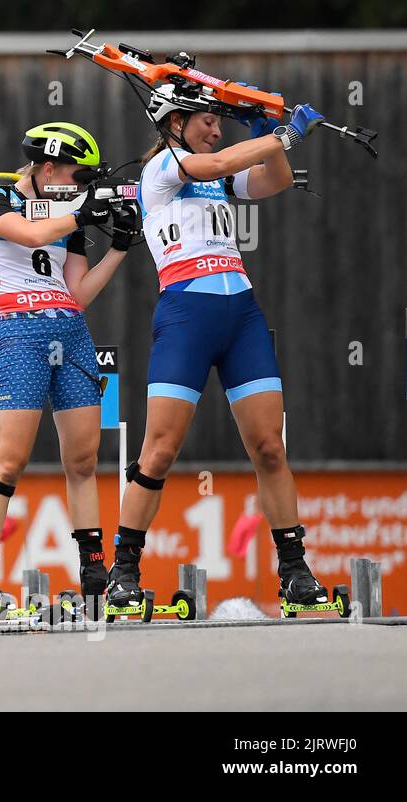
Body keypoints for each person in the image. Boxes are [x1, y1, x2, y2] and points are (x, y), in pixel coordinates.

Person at [108, 85, 330, 613]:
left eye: (220, 122)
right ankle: (124, 570)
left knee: (270, 447)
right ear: (174, 124)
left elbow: (273, 181)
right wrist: (282, 134)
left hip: (241, 314)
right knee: (158, 451)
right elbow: (219, 165)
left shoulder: (218, 169)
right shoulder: (164, 166)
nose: (216, 130)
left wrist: (267, 139)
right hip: (186, 314)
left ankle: (295, 571)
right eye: (207, 120)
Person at [0, 122, 135, 620]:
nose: (78, 185)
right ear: (45, 169)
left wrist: (121, 248)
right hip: (20, 329)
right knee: (10, 459)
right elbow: (33, 232)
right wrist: (81, 211)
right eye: (72, 175)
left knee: (84, 458)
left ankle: (92, 568)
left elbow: (79, 292)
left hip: (73, 330)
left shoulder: (68, 211)